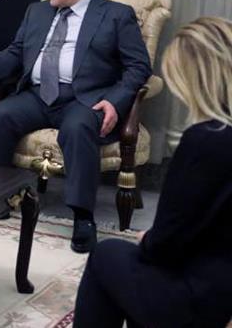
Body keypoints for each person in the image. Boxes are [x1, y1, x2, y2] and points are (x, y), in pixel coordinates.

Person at [0, 0, 152, 253]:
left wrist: (114, 101)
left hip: (85, 99)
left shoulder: (116, 15)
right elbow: (16, 53)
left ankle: (83, 217)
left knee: (78, 129)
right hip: (38, 95)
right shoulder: (37, 11)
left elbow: (139, 67)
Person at [74, 17, 232, 327]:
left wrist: (148, 240)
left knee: (107, 255)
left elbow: (168, 241)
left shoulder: (206, 140)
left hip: (201, 299)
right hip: (222, 286)